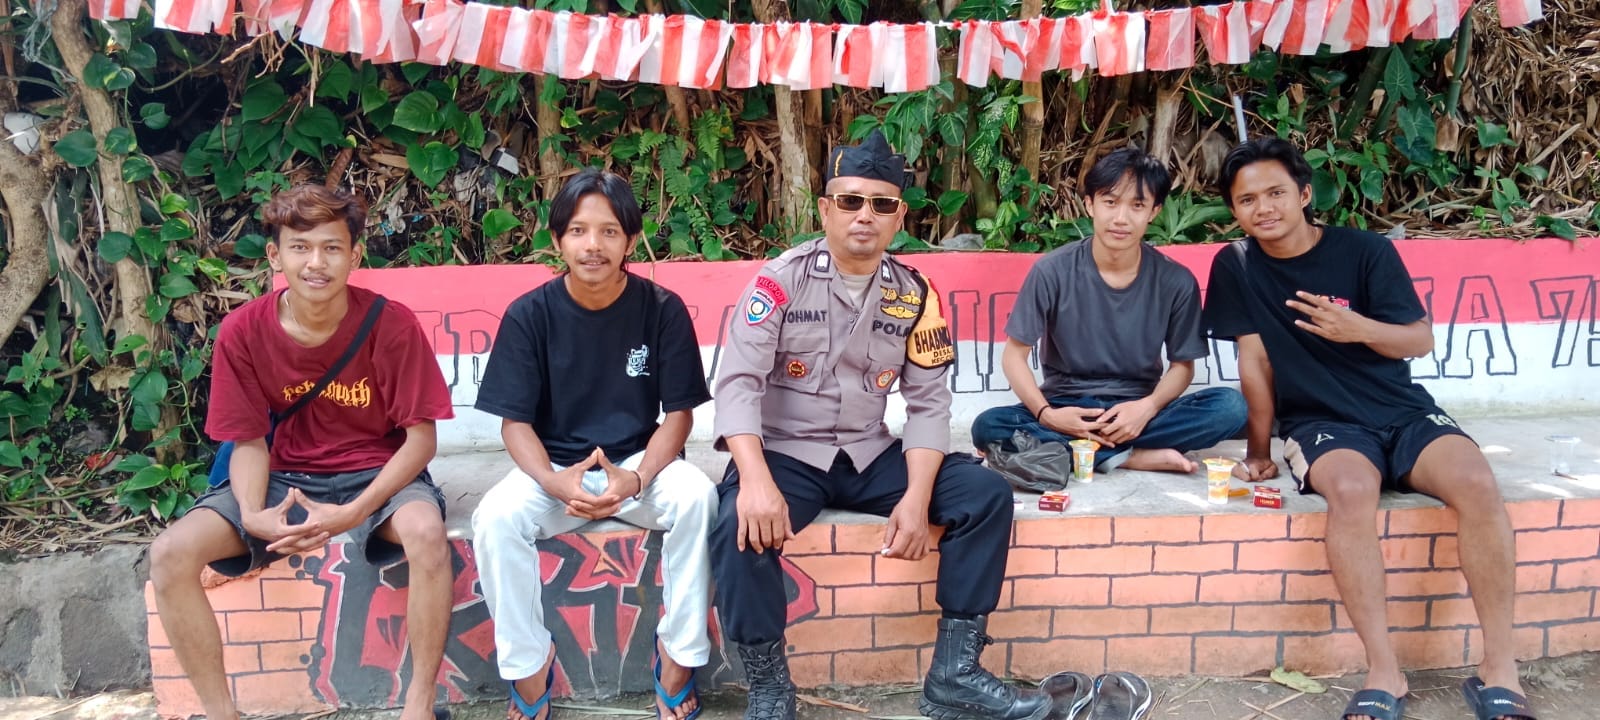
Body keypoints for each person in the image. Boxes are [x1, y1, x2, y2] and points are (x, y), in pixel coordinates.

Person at [710, 129, 1050, 720]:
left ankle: (955, 676)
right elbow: (738, 383)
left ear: (899, 217)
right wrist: (755, 481)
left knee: (984, 493)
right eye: (850, 201)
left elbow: (929, 404)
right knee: (735, 525)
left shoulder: (915, 294)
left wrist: (916, 498)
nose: (864, 215)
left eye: (881, 204)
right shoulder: (779, 281)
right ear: (825, 209)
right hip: (789, 455)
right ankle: (769, 689)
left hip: (869, 454)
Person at [1202, 137, 1533, 720]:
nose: (1264, 208)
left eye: (1276, 193)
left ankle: (1498, 668)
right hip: (1322, 422)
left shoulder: (1366, 251)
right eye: (1247, 199)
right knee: (1352, 491)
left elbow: (1419, 340)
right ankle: (1385, 672)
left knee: (1478, 484)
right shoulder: (1237, 265)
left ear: (1305, 195)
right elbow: (1254, 362)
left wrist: (1357, 328)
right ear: (1234, 209)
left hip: (1403, 411)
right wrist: (1258, 451)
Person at [148, 185, 455, 720]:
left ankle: (419, 706)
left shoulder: (392, 324)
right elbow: (248, 440)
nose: (317, 263)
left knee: (427, 536)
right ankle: (221, 714)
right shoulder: (243, 332)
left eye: (332, 248)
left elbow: (420, 441)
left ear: (355, 256)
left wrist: (354, 511)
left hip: (378, 474)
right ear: (275, 255)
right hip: (281, 477)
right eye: (300, 247)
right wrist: (251, 514)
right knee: (169, 554)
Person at [470, 168, 716, 720]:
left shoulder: (662, 308)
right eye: (578, 231)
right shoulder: (529, 315)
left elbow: (678, 415)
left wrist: (638, 477)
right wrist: (552, 480)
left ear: (631, 240)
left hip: (639, 463)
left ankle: (678, 656)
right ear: (557, 239)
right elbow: (514, 424)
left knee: (700, 499)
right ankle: (528, 664)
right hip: (556, 469)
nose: (593, 245)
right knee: (495, 519)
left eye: (609, 231)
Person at [970, 147, 1246, 476]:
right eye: (1110, 202)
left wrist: (1147, 407)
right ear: (1090, 204)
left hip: (1137, 411)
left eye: (1137, 205)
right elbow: (1014, 356)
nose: (1121, 218)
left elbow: (1182, 366)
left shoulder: (1176, 280)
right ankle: (1131, 456)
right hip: (1065, 406)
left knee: (1230, 407)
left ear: (1154, 211)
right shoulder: (1052, 271)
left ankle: (1090, 453)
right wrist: (1047, 415)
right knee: (988, 426)